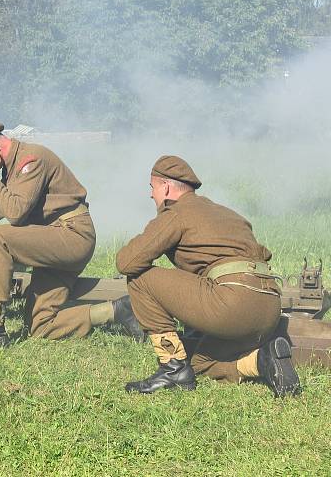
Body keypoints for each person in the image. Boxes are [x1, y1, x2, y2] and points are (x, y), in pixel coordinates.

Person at [0, 120, 142, 355]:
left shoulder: (31, 159)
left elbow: (16, 214)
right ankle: (119, 310)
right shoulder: (10, 167)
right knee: (40, 325)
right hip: (51, 240)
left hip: (72, 236)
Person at [117, 155, 300, 397]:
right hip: (268, 310)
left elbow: (127, 261)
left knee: (140, 279)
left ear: (167, 187)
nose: (151, 195)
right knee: (199, 361)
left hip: (232, 304)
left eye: (153, 187)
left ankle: (172, 367)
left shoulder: (177, 213)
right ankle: (262, 360)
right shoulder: (228, 213)